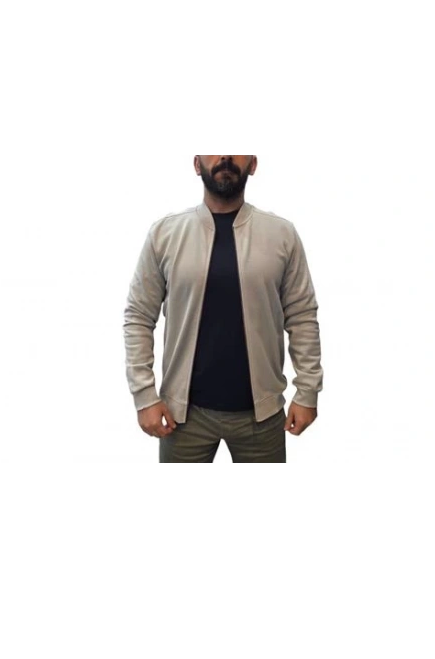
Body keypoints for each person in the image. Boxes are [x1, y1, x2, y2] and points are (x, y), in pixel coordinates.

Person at [123, 151, 324, 462]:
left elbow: (302, 316)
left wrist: (307, 391)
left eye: (238, 148)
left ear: (253, 164)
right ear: (196, 163)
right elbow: (138, 316)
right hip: (182, 417)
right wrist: (144, 396)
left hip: (262, 416)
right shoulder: (165, 234)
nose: (226, 155)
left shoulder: (281, 234)